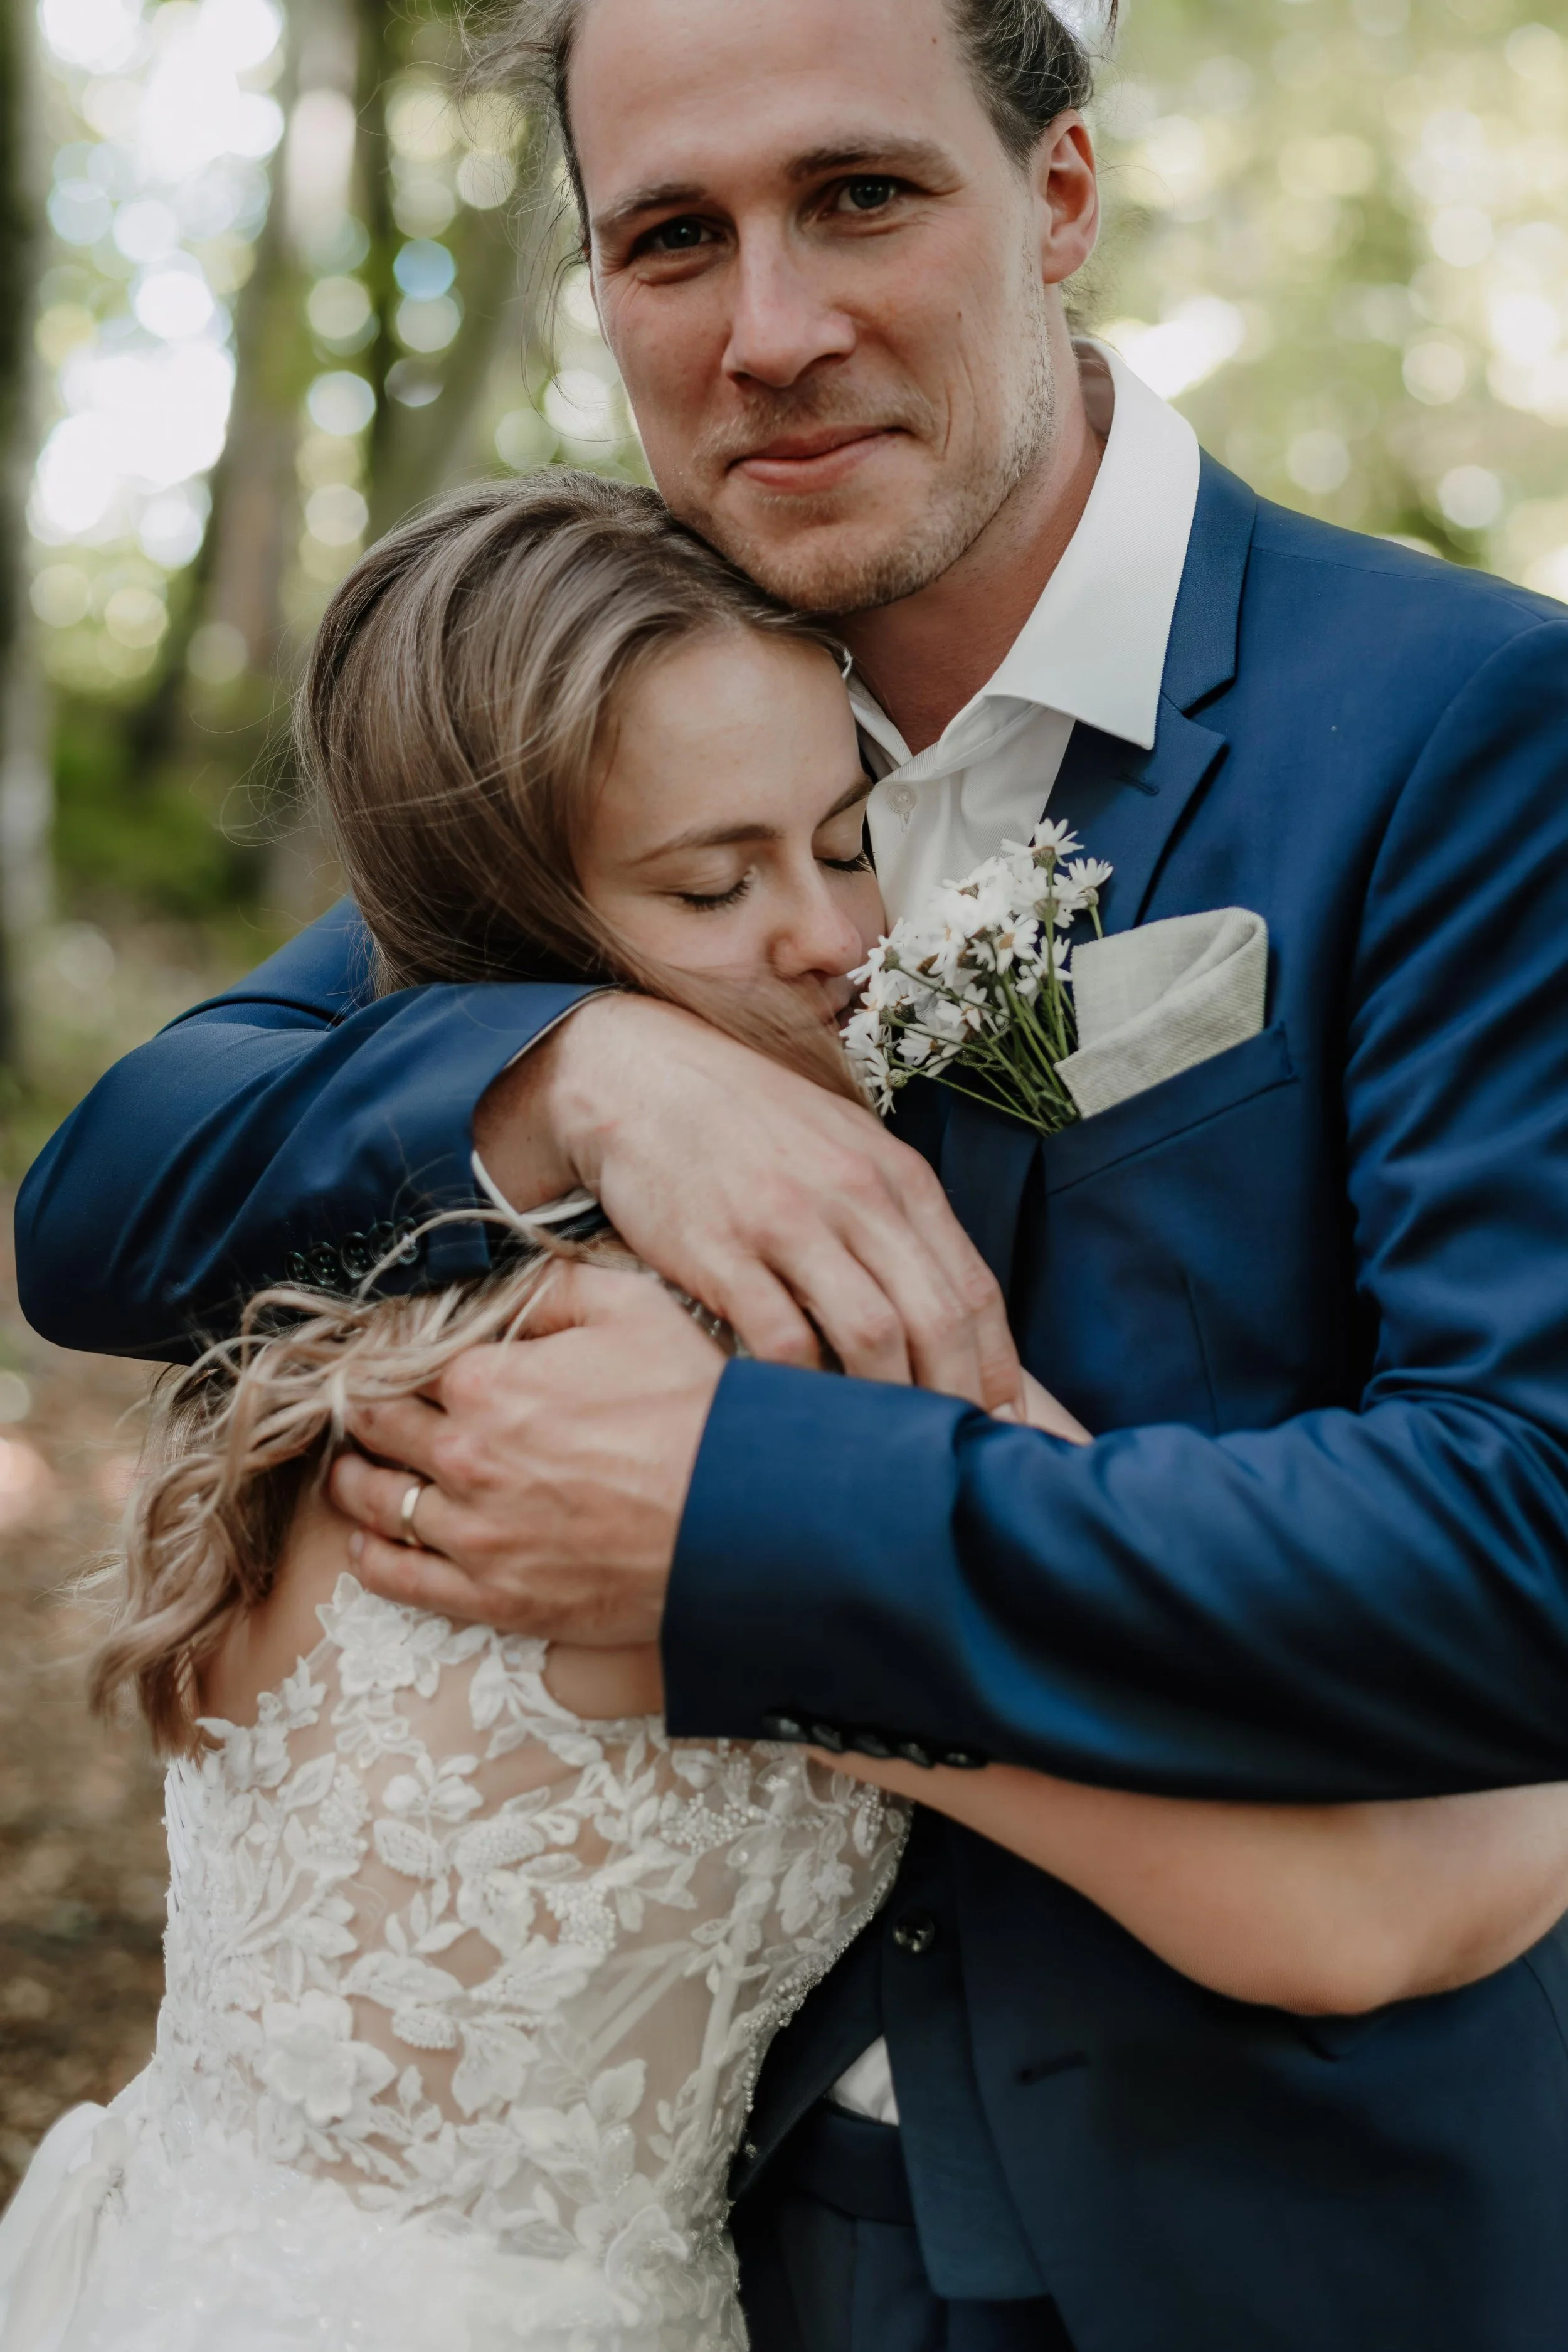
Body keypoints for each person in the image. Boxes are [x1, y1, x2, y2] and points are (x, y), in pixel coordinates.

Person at [16, 1, 1568, 2345]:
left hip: (1245, 2229)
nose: (768, 331)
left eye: (858, 196)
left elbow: (1515, 1525)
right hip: (714, 2236)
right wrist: (585, 1066)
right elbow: (113, 1195)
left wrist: (738, 1516)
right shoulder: (662, 704)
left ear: (1054, 197)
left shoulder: (1461, 724)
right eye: (669, 239)